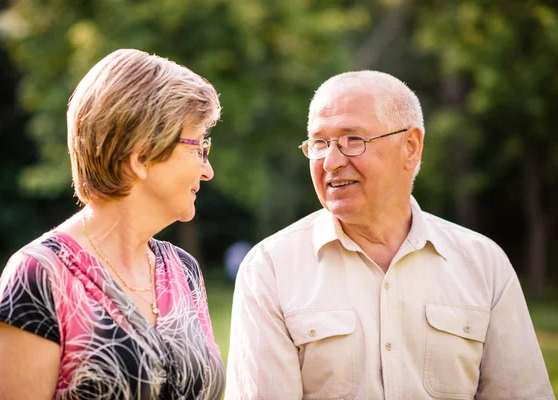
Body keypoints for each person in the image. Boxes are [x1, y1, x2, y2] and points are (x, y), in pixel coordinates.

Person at [225, 71, 554, 399]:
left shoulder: (484, 264)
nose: (331, 161)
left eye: (353, 140)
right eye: (319, 143)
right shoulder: (270, 269)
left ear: (410, 147)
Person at [0, 49, 225, 400]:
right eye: (198, 147)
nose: (207, 169)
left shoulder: (183, 271)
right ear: (141, 156)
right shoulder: (40, 276)